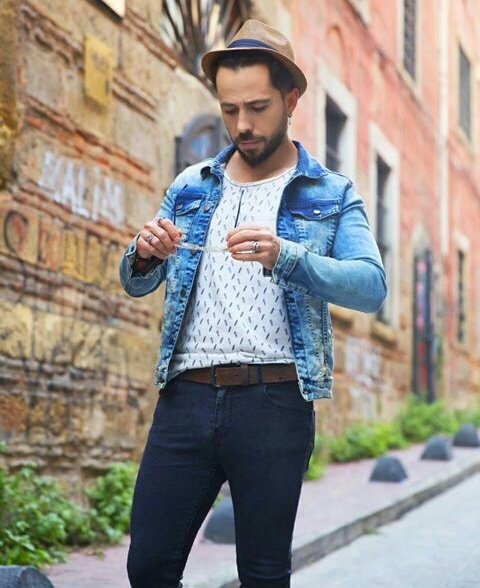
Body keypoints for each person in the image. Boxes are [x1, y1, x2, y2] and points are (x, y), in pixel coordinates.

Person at [119, 18, 387, 588]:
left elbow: (370, 287)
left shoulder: (331, 193)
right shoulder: (190, 185)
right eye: (230, 109)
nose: (242, 124)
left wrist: (288, 256)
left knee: (263, 574)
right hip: (185, 399)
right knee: (148, 566)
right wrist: (144, 254)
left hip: (274, 402)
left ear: (290, 101)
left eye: (258, 108)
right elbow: (139, 282)